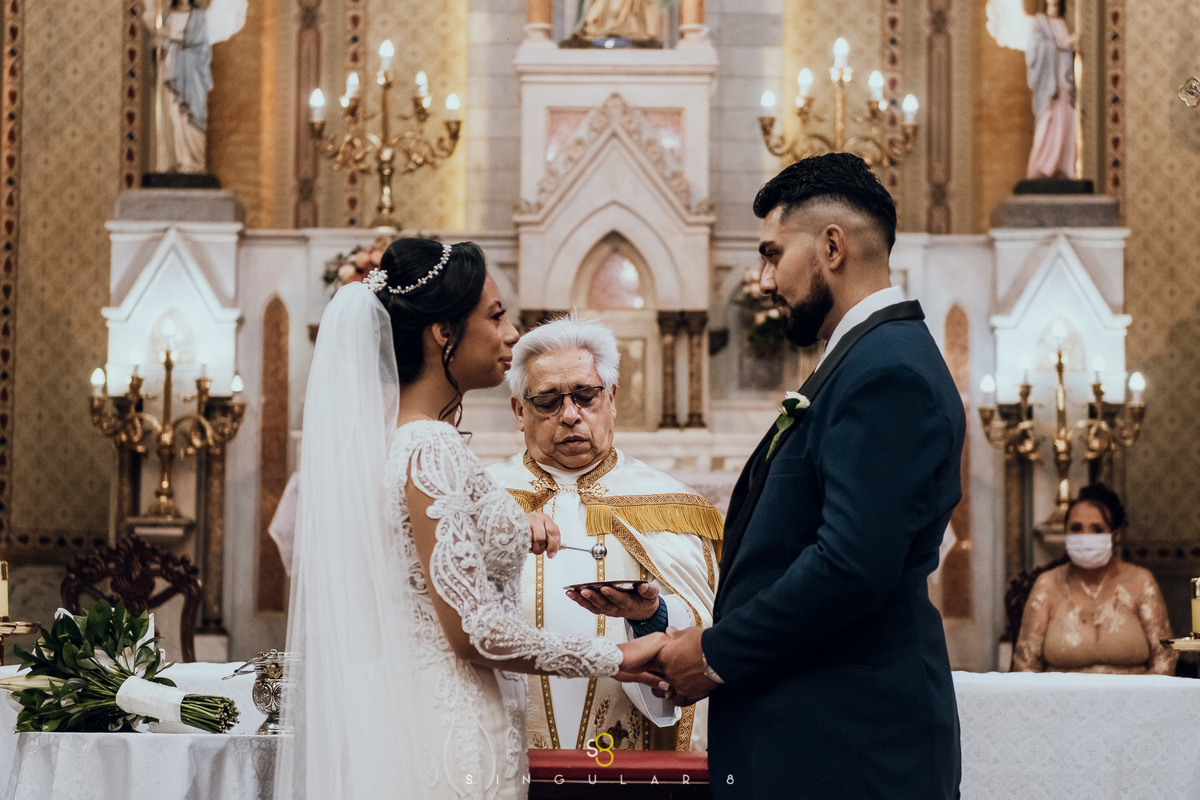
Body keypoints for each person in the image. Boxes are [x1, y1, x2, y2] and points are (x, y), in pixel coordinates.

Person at [276, 239, 665, 800]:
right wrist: (618, 655)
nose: (511, 334)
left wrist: (508, 528)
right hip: (453, 725)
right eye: (496, 315)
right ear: (443, 333)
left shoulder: (392, 441)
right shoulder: (430, 447)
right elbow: (474, 631)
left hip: (414, 706)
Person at [637, 153, 966, 798]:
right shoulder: (867, 358)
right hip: (822, 735)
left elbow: (849, 564)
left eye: (773, 254)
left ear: (832, 246)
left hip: (848, 746)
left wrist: (715, 652)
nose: (763, 280)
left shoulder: (885, 373)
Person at [486, 316, 721, 752]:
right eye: (548, 401)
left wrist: (650, 616)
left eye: (585, 396)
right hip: (501, 754)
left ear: (611, 398)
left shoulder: (672, 505)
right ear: (519, 411)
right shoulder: (481, 497)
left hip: (631, 768)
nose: (571, 415)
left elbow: (711, 635)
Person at [1014, 483, 1176, 675]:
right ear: (1066, 533)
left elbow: (1165, 656)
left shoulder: (1141, 581)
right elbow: (1025, 664)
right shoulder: (1047, 584)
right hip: (1062, 701)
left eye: (1097, 529)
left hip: (1132, 701)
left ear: (1115, 535)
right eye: (1076, 528)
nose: (1085, 536)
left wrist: (1136, 702)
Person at [1025, 0, 1076, 179]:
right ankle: (1041, 168)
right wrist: (1063, 43)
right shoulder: (1038, 22)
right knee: (1049, 124)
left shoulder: (1063, 23)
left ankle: (1063, 168)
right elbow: (1034, 51)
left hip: (1065, 82)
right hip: (1049, 84)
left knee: (1067, 122)